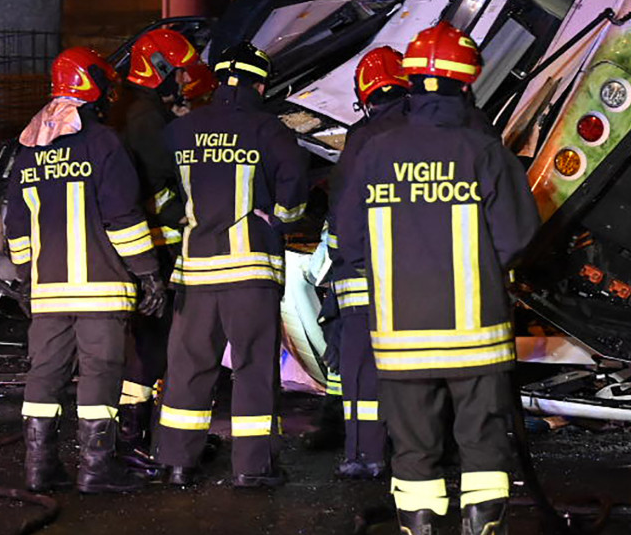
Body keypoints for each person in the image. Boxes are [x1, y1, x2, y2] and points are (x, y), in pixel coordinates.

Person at [335, 23, 540, 535]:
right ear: (465, 86)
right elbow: (519, 236)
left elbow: (347, 238)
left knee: (414, 452)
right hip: (476, 335)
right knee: (482, 450)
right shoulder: (482, 150)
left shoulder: (374, 151)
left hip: (400, 339)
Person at [3, 48, 168, 493]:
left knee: (45, 375)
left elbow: (16, 225)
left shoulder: (28, 150)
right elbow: (123, 216)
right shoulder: (103, 142)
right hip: (100, 290)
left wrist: (25, 278)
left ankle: (39, 469)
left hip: (47, 291)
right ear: (94, 85)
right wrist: (149, 272)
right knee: (100, 374)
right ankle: (95, 471)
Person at [154, 42, 309, 488]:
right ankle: (252, 468)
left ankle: (178, 462)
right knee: (253, 368)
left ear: (220, 79)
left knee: (188, 367)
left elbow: (153, 183)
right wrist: (280, 219)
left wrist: (178, 215)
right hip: (250, 272)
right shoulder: (269, 130)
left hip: (196, 272)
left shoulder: (182, 130)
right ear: (259, 84)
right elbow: (293, 189)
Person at [107, 26, 202, 470]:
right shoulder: (146, 120)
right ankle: (132, 437)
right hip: (153, 245)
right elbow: (169, 173)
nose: (184, 81)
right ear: (159, 69)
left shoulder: (139, 110)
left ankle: (136, 434)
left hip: (145, 243)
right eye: (178, 73)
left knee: (148, 343)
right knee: (150, 344)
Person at [324, 45, 411, 478]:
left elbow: (344, 207)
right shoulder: (425, 130)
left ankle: (364, 453)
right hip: (418, 274)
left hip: (364, 273)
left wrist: (342, 256)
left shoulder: (362, 138)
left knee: (361, 367)